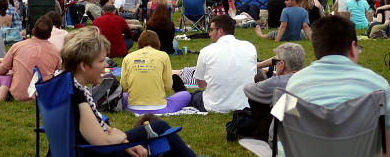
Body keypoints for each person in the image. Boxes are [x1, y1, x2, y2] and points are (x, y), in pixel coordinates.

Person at [61, 27, 200, 157]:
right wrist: (121, 137)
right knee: (159, 127)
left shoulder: (68, 87)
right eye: (101, 61)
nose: (106, 65)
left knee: (161, 137)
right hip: (101, 151)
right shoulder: (77, 96)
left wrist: (124, 143)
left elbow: (99, 128)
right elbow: (103, 141)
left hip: (100, 148)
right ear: (84, 66)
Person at [285, 15, 390, 156]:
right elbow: (386, 149)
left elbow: (289, 132)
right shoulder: (378, 86)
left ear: (316, 48)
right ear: (352, 47)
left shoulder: (295, 83)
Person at [191, 15, 257, 113]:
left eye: (211, 30)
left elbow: (200, 84)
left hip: (215, 106)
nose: (209, 34)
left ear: (220, 31)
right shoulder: (250, 47)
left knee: (195, 95)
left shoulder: (206, 51)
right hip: (245, 104)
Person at [240, 43, 306, 141]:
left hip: (281, 139)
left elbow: (248, 89)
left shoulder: (277, 82)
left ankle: (263, 134)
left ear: (282, 65)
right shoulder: (307, 78)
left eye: (276, 62)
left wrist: (274, 76)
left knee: (257, 98)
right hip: (307, 132)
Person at [0, 14, 62, 101]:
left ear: (33, 31)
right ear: (50, 36)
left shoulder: (17, 46)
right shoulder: (55, 51)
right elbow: (59, 73)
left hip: (18, 96)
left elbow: (2, 70)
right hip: (43, 96)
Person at [120, 30, 191, 113]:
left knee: (124, 96)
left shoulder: (128, 57)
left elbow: (124, 87)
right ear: (157, 42)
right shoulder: (163, 56)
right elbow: (168, 86)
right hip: (160, 107)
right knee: (186, 95)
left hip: (133, 107)